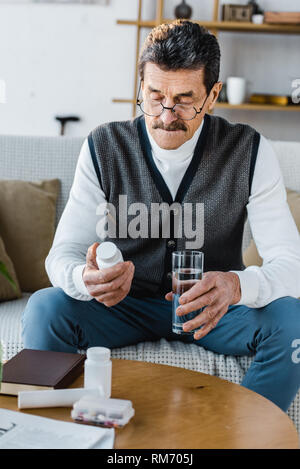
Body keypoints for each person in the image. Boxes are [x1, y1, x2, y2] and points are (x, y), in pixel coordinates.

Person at [22, 20, 300, 412]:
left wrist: (237, 286)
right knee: (45, 308)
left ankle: (242, 437)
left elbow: (292, 265)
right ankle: (51, 436)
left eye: (185, 99)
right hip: (123, 307)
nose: (167, 114)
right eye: (154, 96)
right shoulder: (104, 146)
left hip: (213, 313)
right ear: (141, 87)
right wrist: (86, 280)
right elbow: (61, 255)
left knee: (293, 319)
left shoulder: (250, 151)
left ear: (212, 94)